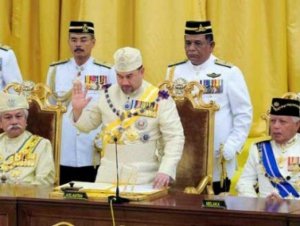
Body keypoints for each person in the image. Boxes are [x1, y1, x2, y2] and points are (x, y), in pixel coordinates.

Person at [71, 47, 184, 188]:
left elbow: (175, 137)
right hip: (107, 177)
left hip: (144, 178)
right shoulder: (106, 94)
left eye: (129, 76)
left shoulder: (160, 98)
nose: (124, 82)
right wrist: (77, 110)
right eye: (119, 76)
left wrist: (166, 170)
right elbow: (86, 126)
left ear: (142, 72)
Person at [165, 20, 253, 195]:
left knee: (214, 211)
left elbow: (243, 114)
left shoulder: (229, 72)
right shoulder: (173, 71)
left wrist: (233, 145)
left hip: (216, 157)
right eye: (187, 43)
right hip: (183, 156)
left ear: (211, 45)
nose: (191, 48)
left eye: (198, 43)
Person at [46, 21, 116, 185]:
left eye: (84, 39)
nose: (78, 44)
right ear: (68, 42)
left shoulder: (106, 71)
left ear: (93, 42)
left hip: (92, 148)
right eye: (74, 39)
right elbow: (49, 108)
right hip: (64, 148)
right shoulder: (56, 70)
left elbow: (112, 108)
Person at [236, 98, 300, 199]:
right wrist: (258, 206)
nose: (275, 126)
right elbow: (244, 183)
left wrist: (288, 204)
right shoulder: (259, 148)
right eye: (273, 121)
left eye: (282, 122)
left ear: (297, 125)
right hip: (264, 211)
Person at [0, 92, 54, 185]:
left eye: (18, 116)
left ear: (25, 120)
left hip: (25, 197)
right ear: (0, 123)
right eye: (8, 117)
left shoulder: (41, 144)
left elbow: (45, 182)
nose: (14, 121)